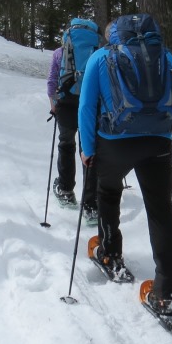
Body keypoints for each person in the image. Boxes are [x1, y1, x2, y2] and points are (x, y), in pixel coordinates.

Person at [77, 14, 172, 313]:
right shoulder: (164, 55)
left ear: (113, 35)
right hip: (158, 142)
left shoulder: (100, 57)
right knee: (161, 210)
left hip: (114, 142)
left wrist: (87, 149)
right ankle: (167, 291)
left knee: (108, 192)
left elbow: (86, 107)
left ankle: (110, 253)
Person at [47, 18, 101, 223]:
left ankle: (66, 190)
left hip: (66, 105)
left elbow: (52, 82)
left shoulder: (59, 53)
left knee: (66, 144)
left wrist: (54, 104)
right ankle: (91, 205)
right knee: (89, 150)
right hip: (91, 106)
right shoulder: (97, 53)